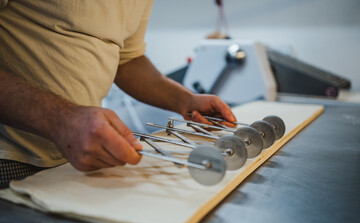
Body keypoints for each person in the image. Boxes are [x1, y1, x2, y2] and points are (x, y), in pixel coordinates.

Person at [0, 0, 236, 186]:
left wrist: (187, 100)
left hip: (81, 154)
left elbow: (128, 60)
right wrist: (60, 120)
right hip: (12, 156)